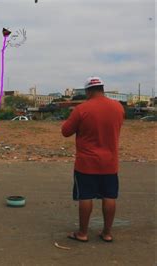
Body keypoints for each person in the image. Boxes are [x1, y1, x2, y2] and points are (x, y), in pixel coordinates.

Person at [62, 77, 124, 243]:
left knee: (85, 197)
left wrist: (73, 117)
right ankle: (107, 233)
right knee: (109, 196)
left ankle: (82, 233)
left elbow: (65, 131)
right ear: (102, 89)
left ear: (88, 91)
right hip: (110, 162)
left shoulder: (82, 109)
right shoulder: (118, 107)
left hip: (86, 163)